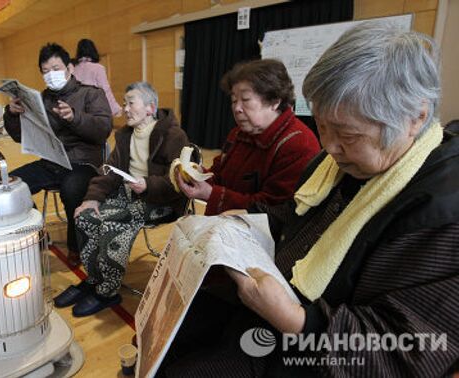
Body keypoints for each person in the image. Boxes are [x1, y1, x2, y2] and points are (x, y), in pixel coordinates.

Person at [158, 22, 459, 377]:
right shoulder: (336, 164)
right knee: (169, 330)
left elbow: (411, 351)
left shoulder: (444, 214)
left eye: (346, 133)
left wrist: (297, 321)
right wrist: (249, 220)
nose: (329, 146)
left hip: (316, 352)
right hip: (271, 309)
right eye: (322, 126)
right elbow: (300, 216)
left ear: (416, 117)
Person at [53, 82, 188, 317]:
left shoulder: (173, 135)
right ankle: (94, 279)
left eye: (130, 103)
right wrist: (92, 199)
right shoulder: (125, 135)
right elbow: (110, 170)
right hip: (128, 193)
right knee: (85, 218)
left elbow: (179, 183)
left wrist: (149, 184)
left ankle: (108, 291)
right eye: (124, 104)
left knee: (113, 224)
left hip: (160, 200)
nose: (125, 109)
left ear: (150, 107)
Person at [4, 43, 112, 267]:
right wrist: (12, 114)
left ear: (69, 68)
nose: (50, 75)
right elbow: (18, 137)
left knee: (73, 188)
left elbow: (103, 129)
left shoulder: (91, 94)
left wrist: (75, 117)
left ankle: (76, 245)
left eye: (55, 68)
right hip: (52, 161)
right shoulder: (42, 98)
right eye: (45, 72)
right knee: (11, 185)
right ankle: (37, 233)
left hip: (83, 161)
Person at [175, 59, 320, 215]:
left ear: (275, 102)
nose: (237, 108)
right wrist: (197, 175)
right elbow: (219, 175)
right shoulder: (238, 134)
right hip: (223, 229)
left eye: (245, 100)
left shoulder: (298, 145)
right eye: (234, 100)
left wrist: (210, 194)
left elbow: (274, 210)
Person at [73, 39, 122, 117]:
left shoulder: (74, 69)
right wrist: (115, 109)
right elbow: (105, 90)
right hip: (94, 110)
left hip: (77, 111)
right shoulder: (98, 68)